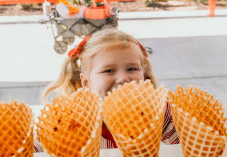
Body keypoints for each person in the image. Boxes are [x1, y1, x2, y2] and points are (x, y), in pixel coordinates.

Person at [35, 28, 179, 151]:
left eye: (132, 69)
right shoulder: (69, 120)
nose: (123, 78)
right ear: (86, 82)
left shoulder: (160, 112)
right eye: (109, 71)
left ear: (144, 74)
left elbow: (183, 144)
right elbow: (35, 147)